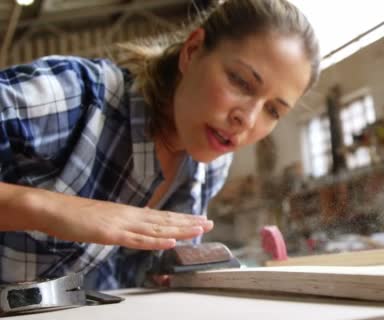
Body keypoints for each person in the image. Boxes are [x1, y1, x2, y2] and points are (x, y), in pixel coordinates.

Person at [0, 0, 320, 290]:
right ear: (192, 51)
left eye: (273, 110)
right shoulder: (71, 97)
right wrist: (48, 208)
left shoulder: (210, 164)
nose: (248, 120)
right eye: (240, 81)